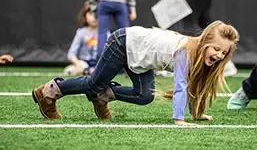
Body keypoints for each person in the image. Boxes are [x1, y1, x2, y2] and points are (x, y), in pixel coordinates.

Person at [32, 21, 239, 125]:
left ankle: (103, 96)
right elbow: (181, 86)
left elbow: (195, 85)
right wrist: (179, 119)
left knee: (144, 96)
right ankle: (49, 92)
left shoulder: (200, 57)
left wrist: (197, 113)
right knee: (93, 83)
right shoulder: (186, 52)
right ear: (204, 42)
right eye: (216, 49)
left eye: (224, 52)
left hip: (139, 57)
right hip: (123, 43)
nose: (219, 55)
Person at [63, 1, 104, 76]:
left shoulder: (105, 33)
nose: (94, 17)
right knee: (70, 70)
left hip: (100, 64)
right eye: (91, 14)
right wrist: (78, 63)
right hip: (85, 63)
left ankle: (92, 71)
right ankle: (87, 71)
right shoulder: (81, 32)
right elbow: (71, 54)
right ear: (85, 15)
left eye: (97, 14)